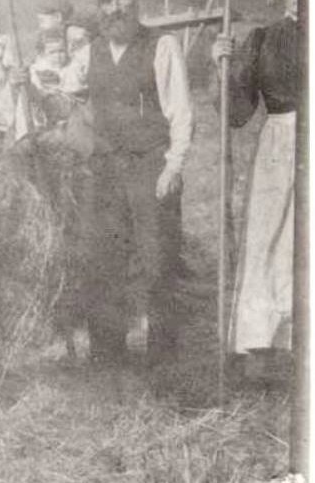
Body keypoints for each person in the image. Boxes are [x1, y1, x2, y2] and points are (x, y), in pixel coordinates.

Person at [49, 0, 193, 366]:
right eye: (105, 3)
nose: (114, 9)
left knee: (156, 258)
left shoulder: (162, 46)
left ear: (136, 6)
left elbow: (181, 111)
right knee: (103, 258)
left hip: (150, 166)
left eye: (121, 3)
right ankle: (107, 354)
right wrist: (30, 86)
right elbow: (62, 94)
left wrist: (173, 167)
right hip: (106, 168)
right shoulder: (90, 51)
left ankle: (163, 356)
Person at [212, 0, 298, 380]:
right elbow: (237, 113)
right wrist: (223, 67)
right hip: (281, 145)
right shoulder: (264, 38)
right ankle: (265, 350)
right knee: (269, 243)